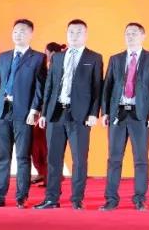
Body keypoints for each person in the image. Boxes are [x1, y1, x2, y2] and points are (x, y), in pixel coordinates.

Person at [35, 19, 103, 210]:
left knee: (79, 160)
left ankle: (77, 199)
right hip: (56, 113)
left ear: (86, 35)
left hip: (80, 116)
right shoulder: (57, 58)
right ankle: (51, 198)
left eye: (79, 32)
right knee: (53, 159)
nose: (74, 35)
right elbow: (49, 86)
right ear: (67, 34)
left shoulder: (94, 57)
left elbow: (97, 88)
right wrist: (44, 113)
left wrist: (93, 113)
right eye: (71, 32)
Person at [0, 19, 46, 208]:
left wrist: (35, 110)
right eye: (16, 31)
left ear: (31, 34)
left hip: (24, 113)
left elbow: (40, 87)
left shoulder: (38, 58)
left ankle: (21, 196)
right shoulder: (3, 57)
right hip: (2, 111)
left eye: (23, 31)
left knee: (22, 157)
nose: (18, 34)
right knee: (2, 157)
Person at [100, 23, 149, 211]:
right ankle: (111, 199)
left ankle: (140, 199)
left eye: (134, 33)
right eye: (127, 33)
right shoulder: (116, 59)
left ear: (143, 36)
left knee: (141, 159)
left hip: (140, 114)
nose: (130, 36)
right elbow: (107, 87)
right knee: (114, 158)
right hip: (118, 113)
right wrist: (105, 112)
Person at [30, 42, 65, 186]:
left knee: (44, 145)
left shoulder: (54, 67)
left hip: (50, 112)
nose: (44, 56)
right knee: (38, 143)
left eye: (46, 53)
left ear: (52, 53)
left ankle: (49, 175)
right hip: (44, 111)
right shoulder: (47, 67)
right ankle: (44, 173)